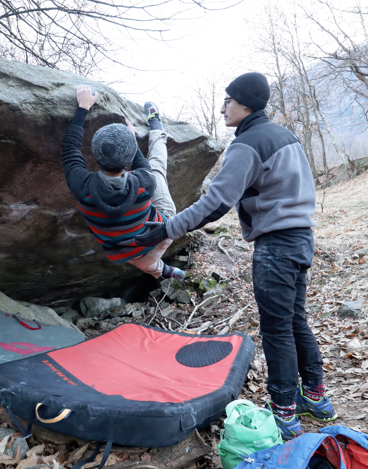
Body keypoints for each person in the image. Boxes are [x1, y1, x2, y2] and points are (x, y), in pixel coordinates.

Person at [135, 72, 337, 440]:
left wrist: (166, 229)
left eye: (228, 100)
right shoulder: (283, 135)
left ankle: (284, 413)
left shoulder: (247, 144)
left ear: (245, 103)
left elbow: (216, 203)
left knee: (277, 329)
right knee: (295, 321)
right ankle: (317, 398)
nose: (223, 106)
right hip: (301, 238)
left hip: (276, 246)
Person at [60, 84, 185, 281]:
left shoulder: (82, 186)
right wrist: (130, 138)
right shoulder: (144, 180)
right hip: (159, 234)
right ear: (128, 159)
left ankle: (165, 271)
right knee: (157, 168)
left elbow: (70, 149)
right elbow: (141, 162)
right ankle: (157, 129)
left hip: (124, 252)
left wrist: (83, 107)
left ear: (95, 154)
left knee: (146, 263)